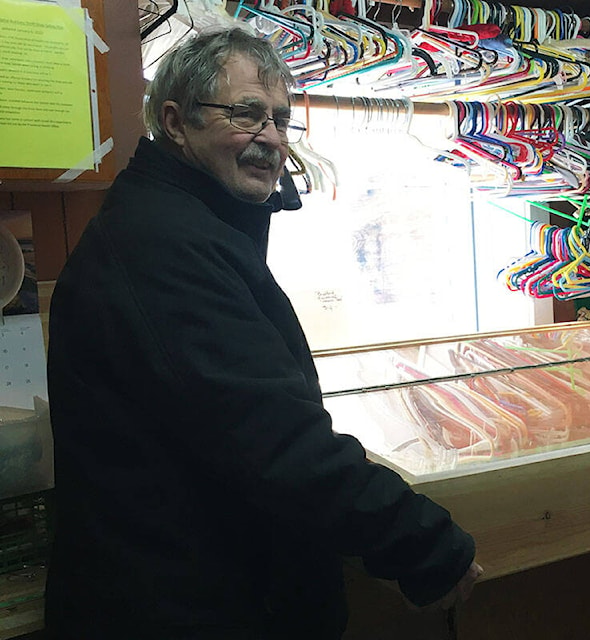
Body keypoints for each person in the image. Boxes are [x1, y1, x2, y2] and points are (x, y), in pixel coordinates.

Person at [44, 27, 481, 639]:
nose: (271, 138)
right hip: (181, 609)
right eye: (246, 114)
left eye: (280, 119)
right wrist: (423, 543)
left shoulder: (187, 224)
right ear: (176, 122)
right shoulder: (162, 246)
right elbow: (274, 441)